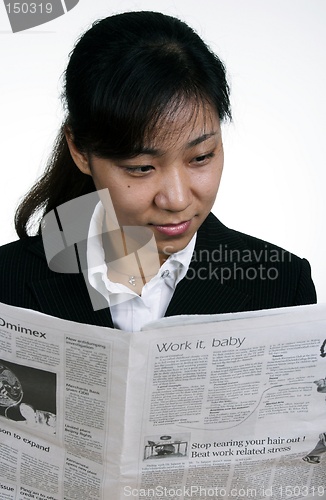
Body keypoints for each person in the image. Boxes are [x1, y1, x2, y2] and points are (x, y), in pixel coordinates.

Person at [0, 11, 316, 332]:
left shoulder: (284, 286)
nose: (177, 200)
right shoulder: (6, 280)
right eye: (142, 168)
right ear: (81, 151)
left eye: (201, 157)